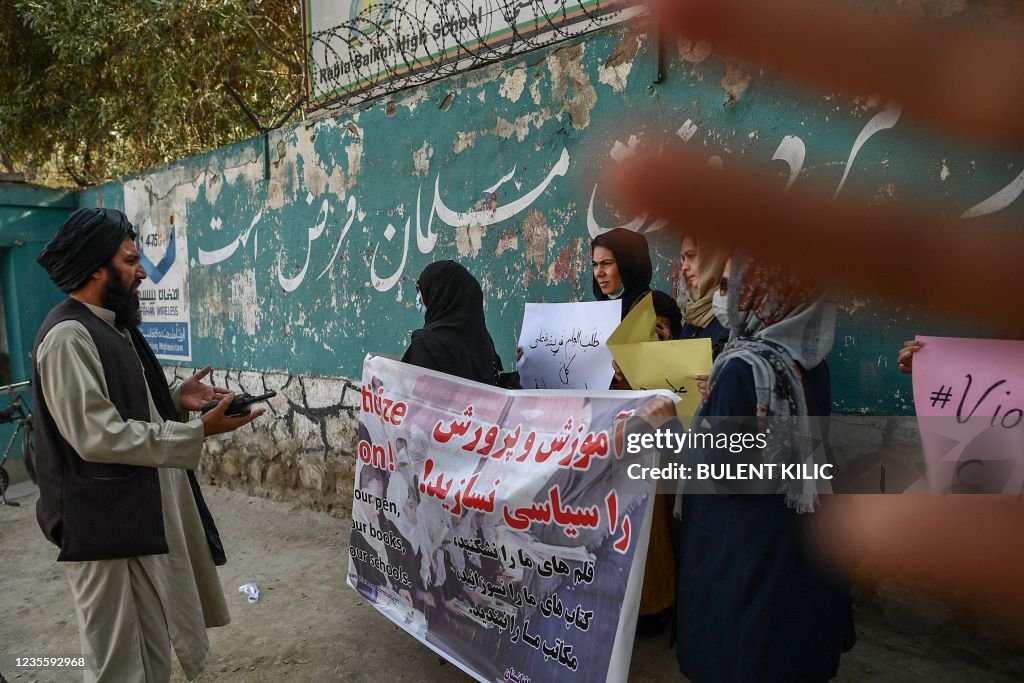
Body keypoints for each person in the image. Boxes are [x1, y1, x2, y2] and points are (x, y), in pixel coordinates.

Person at [32, 207, 265, 683]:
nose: (141, 272)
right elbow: (97, 434)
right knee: (119, 663)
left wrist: (177, 398)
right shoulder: (67, 337)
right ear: (97, 267)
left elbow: (123, 407)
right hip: (102, 531)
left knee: (150, 655)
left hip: (134, 520)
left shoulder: (111, 327)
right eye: (130, 259)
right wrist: (197, 432)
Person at [675, 255, 853, 682]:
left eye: (730, 286)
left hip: (739, 547)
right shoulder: (806, 361)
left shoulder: (741, 367)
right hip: (791, 540)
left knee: (739, 652)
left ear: (759, 296)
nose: (723, 296)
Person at [402, 260, 503, 386]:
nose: (419, 299)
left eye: (420, 292)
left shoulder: (427, 346)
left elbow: (407, 394)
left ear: (437, 294)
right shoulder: (484, 343)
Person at [679, 235, 730, 356]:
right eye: (683, 258)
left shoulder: (733, 315)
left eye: (691, 256)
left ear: (713, 259)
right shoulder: (694, 312)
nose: (684, 267)